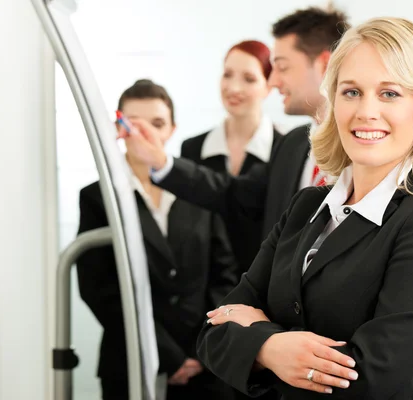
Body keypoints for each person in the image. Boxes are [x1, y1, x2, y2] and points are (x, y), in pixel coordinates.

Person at [195, 17, 413, 400]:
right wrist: (270, 349)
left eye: (390, 93)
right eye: (351, 92)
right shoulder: (307, 205)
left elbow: (366, 379)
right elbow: (213, 333)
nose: (366, 111)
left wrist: (261, 343)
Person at [120, 6, 350, 241]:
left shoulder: (364, 149)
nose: (273, 80)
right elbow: (234, 195)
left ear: (324, 65)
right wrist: (159, 160)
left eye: (282, 67)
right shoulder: (294, 145)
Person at [76, 79, 239, 400]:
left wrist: (202, 347)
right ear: (119, 127)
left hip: (206, 362)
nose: (145, 133)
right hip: (131, 359)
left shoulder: (196, 188)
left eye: (158, 123)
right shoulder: (98, 198)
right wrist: (168, 356)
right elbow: (98, 289)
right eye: (134, 124)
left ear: (172, 129)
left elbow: (225, 275)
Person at [181, 40, 282, 273]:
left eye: (249, 79)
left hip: (265, 285)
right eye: (227, 75)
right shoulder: (193, 149)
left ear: (268, 86)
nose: (234, 88)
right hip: (206, 288)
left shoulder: (283, 150)